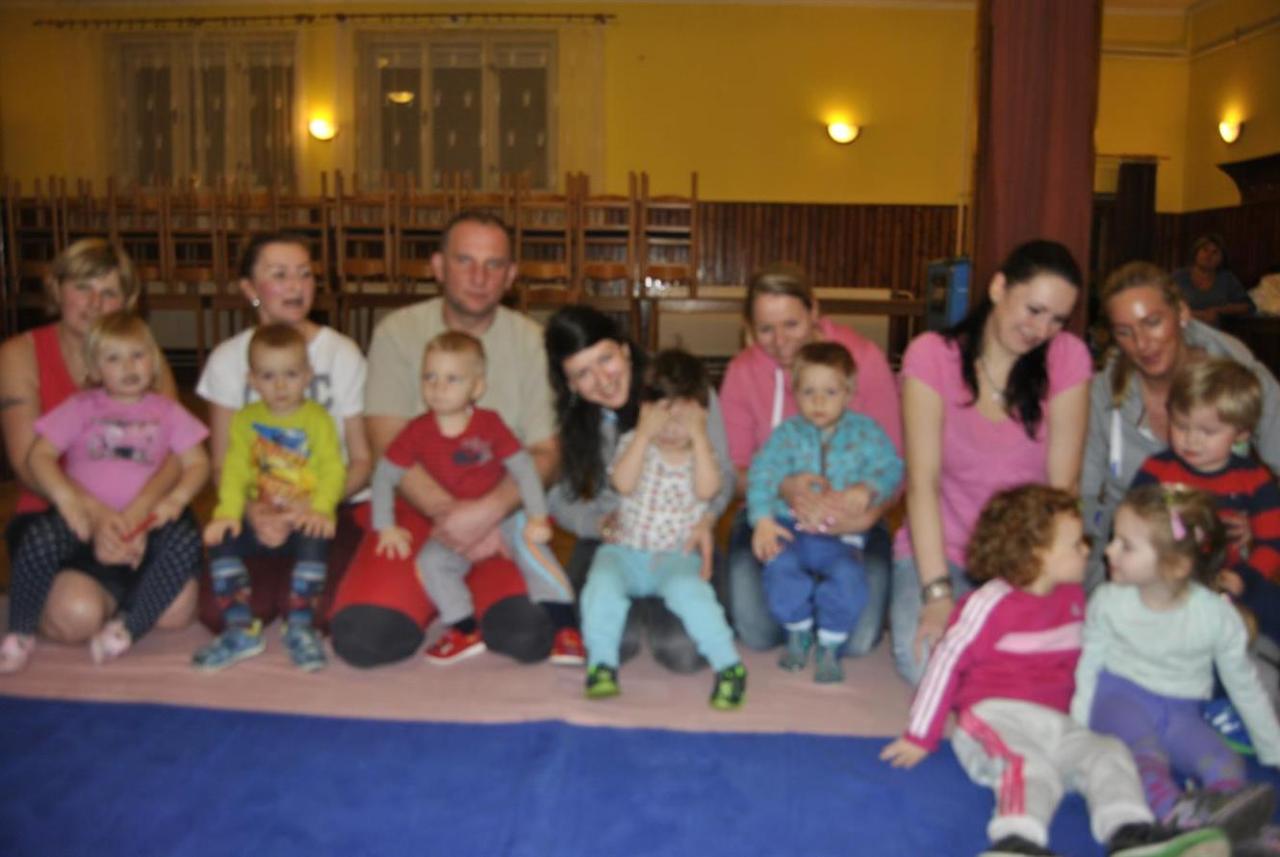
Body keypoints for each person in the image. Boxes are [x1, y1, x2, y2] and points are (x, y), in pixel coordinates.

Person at [881, 484, 1228, 857]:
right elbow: (945, 662)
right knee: (1029, 768)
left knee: (1109, 753)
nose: (1089, 550)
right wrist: (920, 735)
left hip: (1058, 722)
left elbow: (1090, 662)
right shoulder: (991, 603)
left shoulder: (1073, 598)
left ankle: (1129, 833)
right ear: (1038, 554)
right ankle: (1017, 842)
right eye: (1077, 544)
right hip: (995, 717)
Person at [329, 212, 561, 668]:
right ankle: (430, 588)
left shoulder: (534, 342)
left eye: (494, 265)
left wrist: (487, 513)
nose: (479, 277)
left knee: (528, 634)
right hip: (415, 510)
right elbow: (386, 443)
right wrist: (451, 518)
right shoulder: (397, 333)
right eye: (464, 261)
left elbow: (546, 452)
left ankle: (455, 588)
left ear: (511, 275)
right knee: (364, 638)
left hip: (501, 515)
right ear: (437, 266)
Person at [890, 239, 1091, 685]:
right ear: (999, 287)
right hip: (943, 551)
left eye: (1057, 319)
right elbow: (922, 484)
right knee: (927, 664)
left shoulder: (1067, 357)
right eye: (1034, 310)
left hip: (1026, 558)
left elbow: (1062, 491)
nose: (1041, 329)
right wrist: (937, 594)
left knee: (1052, 662)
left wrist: (1039, 583)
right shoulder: (931, 355)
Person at [0, 238, 198, 650]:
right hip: (57, 513)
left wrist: (138, 514)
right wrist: (97, 516)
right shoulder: (18, 354)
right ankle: (100, 595)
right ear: (56, 290)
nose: (95, 303)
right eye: (82, 287)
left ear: (127, 301)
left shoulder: (142, 359)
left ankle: (118, 599)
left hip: (139, 512)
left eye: (109, 292)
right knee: (76, 615)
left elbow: (174, 455)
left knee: (177, 612)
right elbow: (26, 462)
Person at [1072, 484, 1280, 852]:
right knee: (1144, 756)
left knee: (1224, 761)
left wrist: (1273, 748)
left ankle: (1232, 822)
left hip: (1181, 711)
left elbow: (1245, 686)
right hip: (1118, 699)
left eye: (1125, 545)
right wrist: (1076, 731)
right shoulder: (1108, 601)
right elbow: (1087, 666)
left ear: (1176, 565)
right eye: (1114, 539)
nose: (1108, 550)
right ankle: (1177, 816)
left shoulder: (1215, 617)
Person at [720, 262, 902, 659]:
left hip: (852, 520)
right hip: (773, 515)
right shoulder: (743, 371)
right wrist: (784, 487)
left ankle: (819, 597)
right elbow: (733, 472)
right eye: (766, 330)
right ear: (749, 328)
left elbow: (895, 465)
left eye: (792, 324)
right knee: (758, 631)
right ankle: (807, 599)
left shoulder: (863, 359)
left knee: (857, 641)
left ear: (814, 311)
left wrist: (866, 515)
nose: (781, 342)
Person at [544, 305, 737, 674]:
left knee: (683, 650)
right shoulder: (567, 417)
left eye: (606, 359)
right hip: (613, 542)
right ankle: (638, 601)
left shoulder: (681, 388)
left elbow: (723, 474)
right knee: (613, 642)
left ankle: (655, 600)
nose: (602, 380)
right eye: (583, 373)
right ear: (569, 384)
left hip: (681, 538)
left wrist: (708, 520)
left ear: (625, 350)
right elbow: (557, 497)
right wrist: (596, 524)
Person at [195, 231, 370, 633]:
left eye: (305, 274)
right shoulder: (227, 360)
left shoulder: (341, 354)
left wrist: (316, 505)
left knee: (323, 613)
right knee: (222, 613)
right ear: (250, 289)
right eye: (279, 275)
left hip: (330, 506)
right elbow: (221, 465)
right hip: (258, 507)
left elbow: (363, 461)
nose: (296, 286)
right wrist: (251, 511)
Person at [371, 330, 577, 665]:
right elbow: (384, 474)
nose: (438, 387)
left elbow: (525, 469)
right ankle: (464, 629)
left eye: (452, 379)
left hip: (504, 516)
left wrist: (538, 516)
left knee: (532, 545)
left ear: (477, 387)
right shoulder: (416, 431)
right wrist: (385, 526)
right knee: (430, 563)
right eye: (429, 377)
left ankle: (566, 626)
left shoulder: (489, 424)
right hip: (453, 524)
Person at [1081, 261, 1280, 590]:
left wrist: (1262, 525)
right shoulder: (1103, 395)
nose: (1142, 343)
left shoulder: (1238, 374)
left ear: (1182, 313)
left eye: (1153, 322)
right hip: (1132, 568)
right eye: (1124, 332)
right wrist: (1115, 544)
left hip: (1225, 575)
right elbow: (1085, 501)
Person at [580, 349, 746, 708]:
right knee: (601, 585)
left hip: (676, 556)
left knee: (694, 595)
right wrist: (643, 434)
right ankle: (602, 664)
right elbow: (623, 484)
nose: (670, 430)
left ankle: (729, 666)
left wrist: (699, 436)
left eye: (682, 420)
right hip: (625, 551)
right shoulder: (633, 443)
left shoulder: (703, 454)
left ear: (701, 417)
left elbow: (708, 490)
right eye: (662, 418)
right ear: (645, 411)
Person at [747, 341, 902, 683]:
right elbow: (761, 475)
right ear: (795, 393)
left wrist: (867, 489)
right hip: (791, 527)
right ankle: (798, 630)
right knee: (779, 567)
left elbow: (891, 468)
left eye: (830, 392)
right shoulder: (786, 434)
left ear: (849, 392)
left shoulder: (866, 432)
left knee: (849, 578)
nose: (818, 402)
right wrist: (762, 520)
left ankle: (830, 644)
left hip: (842, 535)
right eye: (809, 392)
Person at [194, 324, 345, 672]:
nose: (280, 386)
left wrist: (320, 509)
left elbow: (332, 469)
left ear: (307, 376)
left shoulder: (318, 419)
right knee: (220, 539)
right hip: (259, 516)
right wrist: (228, 513)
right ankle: (239, 627)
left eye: (290, 374)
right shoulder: (245, 420)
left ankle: (301, 625)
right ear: (252, 380)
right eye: (268, 376)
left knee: (316, 538)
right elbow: (234, 471)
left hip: (302, 516)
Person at [1130, 358, 1280, 641]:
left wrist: (1244, 578)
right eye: (1181, 426)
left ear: (1241, 433)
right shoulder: (1156, 470)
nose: (1191, 440)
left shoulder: (1255, 480)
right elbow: (1130, 528)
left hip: (1234, 579)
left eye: (1207, 432)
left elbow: (1272, 543)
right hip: (1166, 581)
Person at [1172, 235, 1254, 327]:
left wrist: (1219, 310)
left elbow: (1247, 306)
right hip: (1184, 328)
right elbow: (1166, 304)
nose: (1209, 256)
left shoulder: (1227, 279)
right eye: (1205, 250)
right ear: (1195, 253)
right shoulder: (1179, 277)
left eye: (1215, 252)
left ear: (1221, 258)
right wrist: (1198, 315)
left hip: (1216, 331)